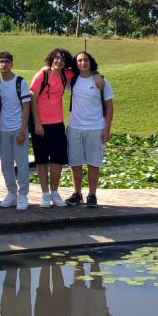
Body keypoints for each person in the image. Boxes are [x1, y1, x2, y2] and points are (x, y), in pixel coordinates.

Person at [66, 51, 114, 207]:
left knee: (94, 162)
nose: (82, 63)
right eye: (79, 60)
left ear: (90, 62)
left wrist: (107, 129)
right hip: (74, 126)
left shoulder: (102, 81)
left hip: (95, 127)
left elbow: (109, 107)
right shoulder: (72, 80)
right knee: (75, 162)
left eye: (85, 60)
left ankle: (92, 195)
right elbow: (54, 68)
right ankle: (77, 194)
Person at [29, 48, 73, 208]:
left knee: (57, 160)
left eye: (62, 59)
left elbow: (84, 68)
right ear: (51, 59)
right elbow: (32, 97)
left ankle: (55, 192)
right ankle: (45, 194)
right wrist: (37, 122)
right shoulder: (42, 74)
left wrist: (97, 75)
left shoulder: (65, 75)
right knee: (41, 161)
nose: (59, 61)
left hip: (58, 124)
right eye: (56, 58)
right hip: (40, 124)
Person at [0, 51, 31, 210]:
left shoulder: (20, 82)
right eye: (1, 61)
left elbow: (26, 107)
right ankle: (11, 193)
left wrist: (23, 130)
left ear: (12, 63)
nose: (4, 64)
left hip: (18, 128)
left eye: (7, 61)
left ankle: (23, 195)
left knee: (22, 164)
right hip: (3, 129)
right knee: (5, 164)